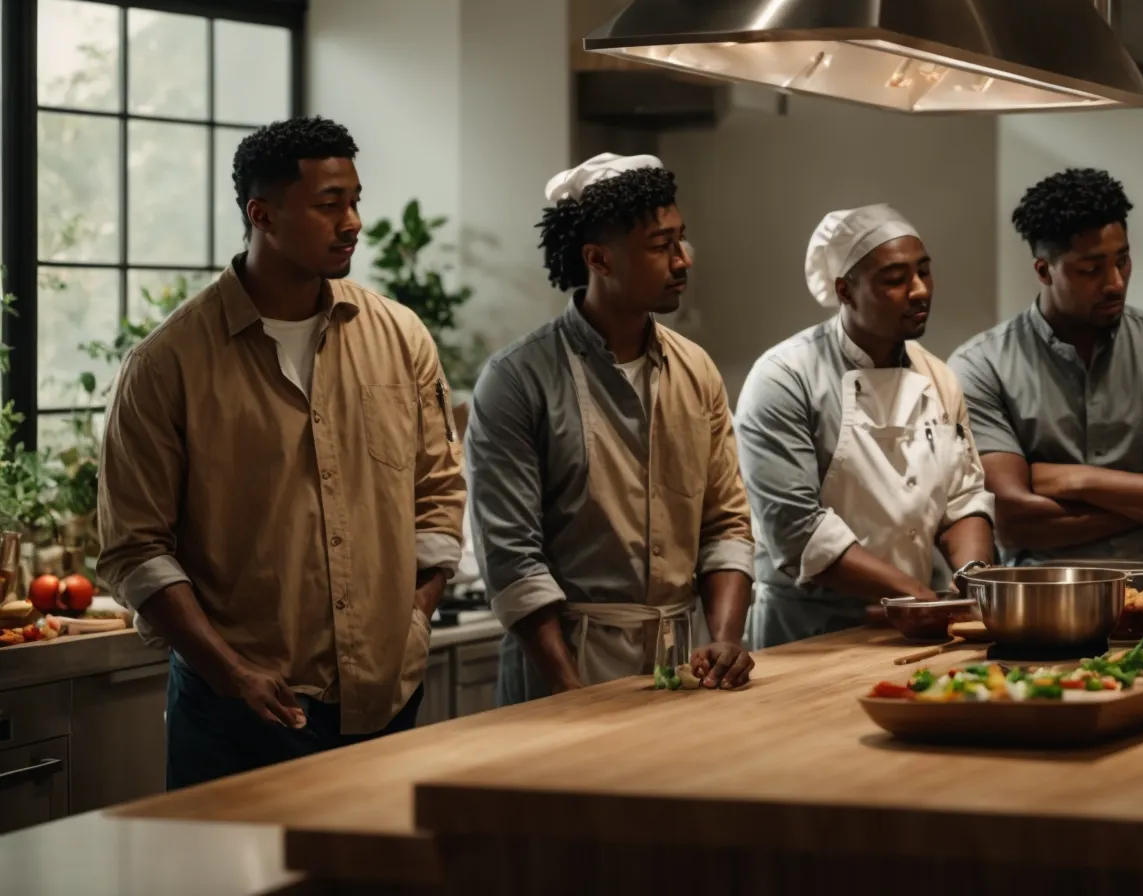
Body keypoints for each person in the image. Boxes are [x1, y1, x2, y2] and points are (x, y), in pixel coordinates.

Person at [97, 117, 464, 788]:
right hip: (237, 713)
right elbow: (135, 547)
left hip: (385, 699)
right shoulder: (166, 364)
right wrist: (229, 671)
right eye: (329, 204)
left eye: (355, 200)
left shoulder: (400, 336)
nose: (352, 221)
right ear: (261, 214)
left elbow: (439, 491)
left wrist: (416, 615)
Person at [466, 154, 754, 701]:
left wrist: (726, 640)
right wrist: (569, 690)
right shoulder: (518, 378)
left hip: (680, 663)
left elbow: (726, 526)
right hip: (562, 662)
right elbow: (511, 557)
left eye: (681, 240)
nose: (682, 261)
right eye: (659, 246)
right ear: (597, 259)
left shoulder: (695, 370)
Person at [949, 168, 1143, 565]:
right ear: (1043, 271)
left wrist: (1073, 480)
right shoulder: (981, 367)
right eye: (1091, 269)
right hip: (1035, 612)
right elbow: (1013, 520)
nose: (1116, 282)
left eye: (1123, 261)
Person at [735, 205, 997, 648]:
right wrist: (913, 595)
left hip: (913, 627)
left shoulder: (937, 377)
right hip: (808, 635)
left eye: (925, 272)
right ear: (845, 290)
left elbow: (964, 499)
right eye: (895, 279)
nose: (919, 291)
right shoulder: (786, 377)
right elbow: (795, 529)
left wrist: (970, 582)